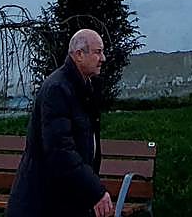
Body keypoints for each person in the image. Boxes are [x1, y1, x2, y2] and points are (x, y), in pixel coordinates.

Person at [7, 28, 114, 217]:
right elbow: (60, 150)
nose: (103, 58)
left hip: (66, 197)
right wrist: (95, 191)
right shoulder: (57, 89)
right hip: (43, 201)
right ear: (79, 55)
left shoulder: (84, 86)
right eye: (98, 52)